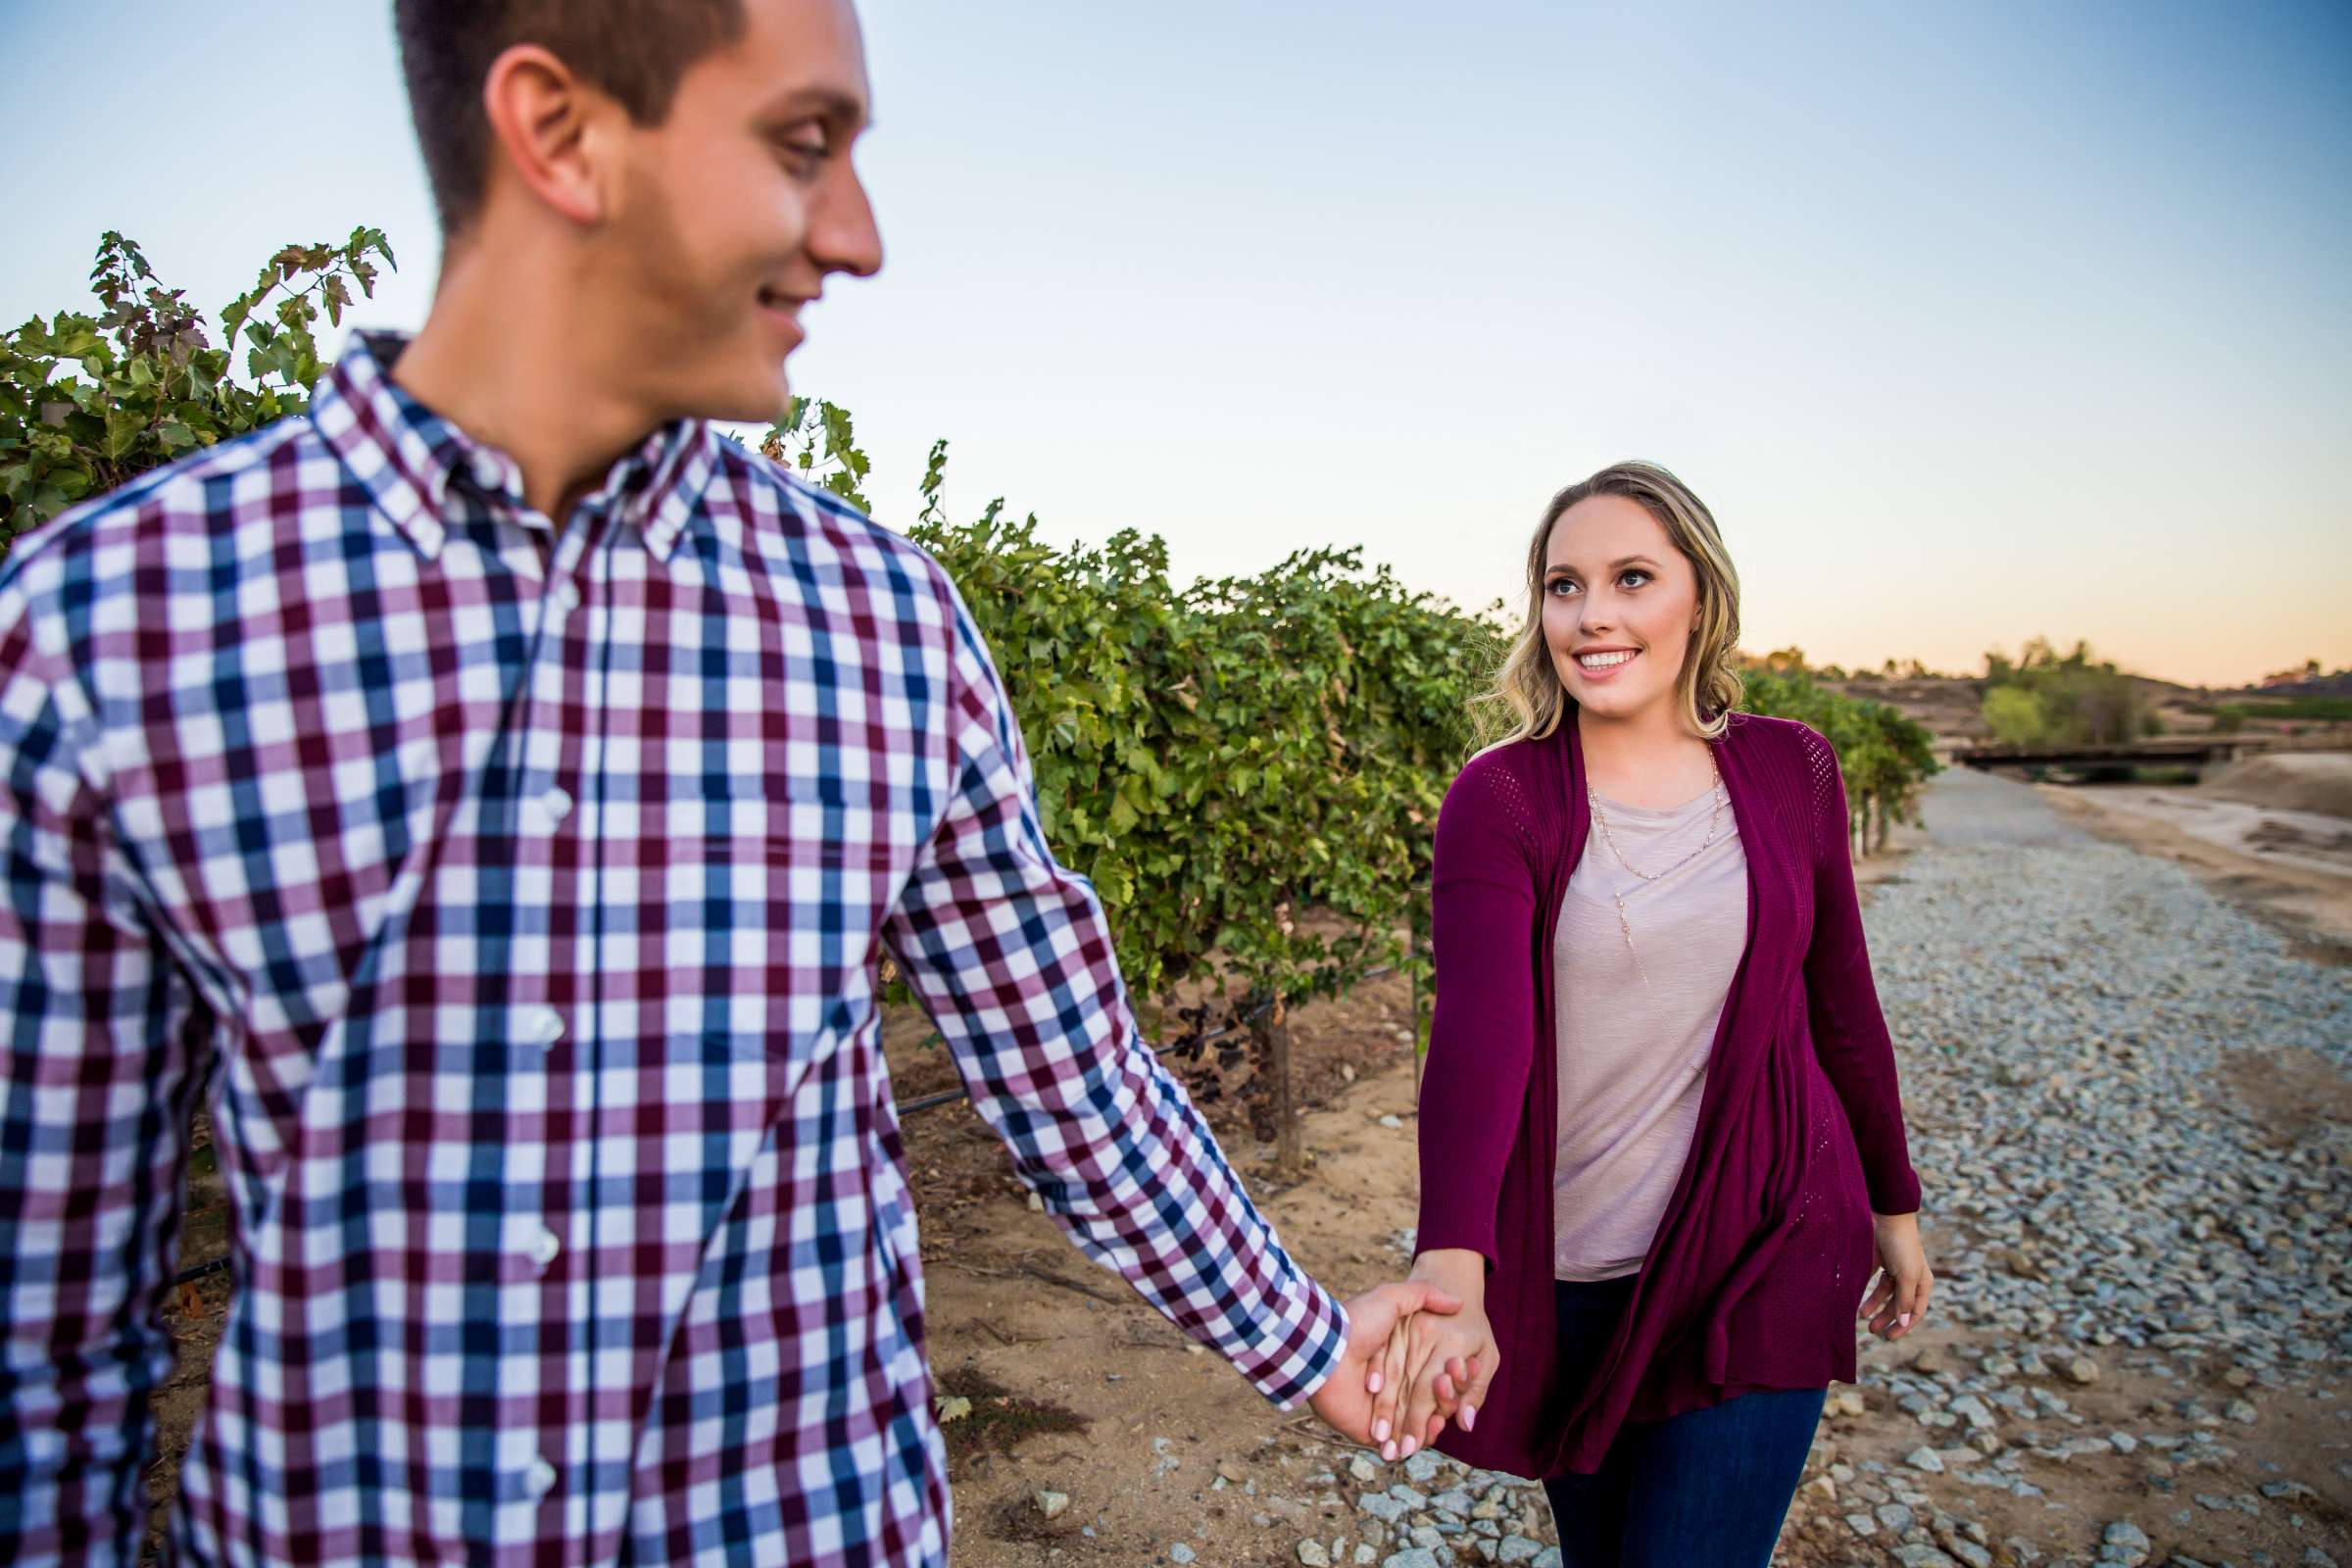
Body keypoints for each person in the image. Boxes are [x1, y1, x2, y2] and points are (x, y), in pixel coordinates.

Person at [0, 3, 1460, 1563]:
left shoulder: (883, 625)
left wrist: (1313, 1344)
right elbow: (44, 1339)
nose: (862, 236)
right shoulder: (107, 631)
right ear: (557, 132)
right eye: (802, 145)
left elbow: (1073, 1079)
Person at [1362, 463, 1935, 1565]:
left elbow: (1843, 1003)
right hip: (1576, 1269)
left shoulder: (1790, 768)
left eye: (1632, 577)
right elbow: (1479, 1039)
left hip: (1764, 1234)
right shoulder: (1506, 795)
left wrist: (1891, 1203)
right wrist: (1452, 1264)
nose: (1594, 615)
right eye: (1563, 585)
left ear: (1700, 598)